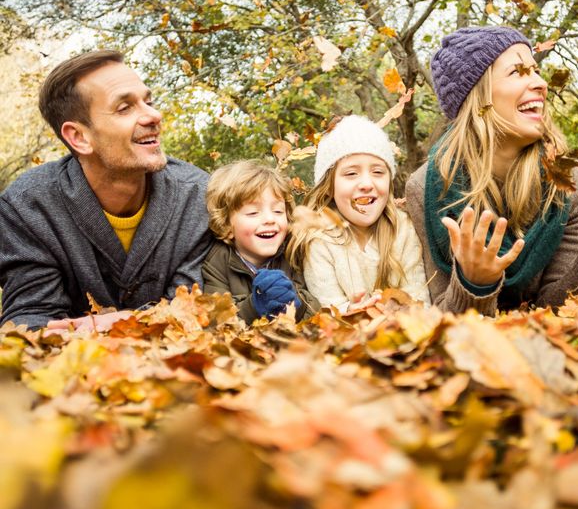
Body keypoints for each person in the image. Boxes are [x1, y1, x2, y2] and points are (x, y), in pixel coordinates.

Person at [405, 26, 578, 315]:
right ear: (476, 98)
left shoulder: (575, 181)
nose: (541, 83)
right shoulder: (427, 189)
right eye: (518, 72)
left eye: (535, 70)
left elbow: (563, 311)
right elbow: (442, 325)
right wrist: (474, 285)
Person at [0, 50, 212, 331]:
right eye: (125, 108)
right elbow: (30, 326)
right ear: (79, 137)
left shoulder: (200, 195)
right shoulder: (26, 207)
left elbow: (193, 314)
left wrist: (102, 325)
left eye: (148, 102)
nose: (154, 115)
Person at [290, 115, 430, 311]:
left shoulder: (404, 230)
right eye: (351, 174)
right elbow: (326, 311)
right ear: (329, 186)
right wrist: (351, 313)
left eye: (378, 172)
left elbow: (420, 303)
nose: (366, 184)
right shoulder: (319, 240)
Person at [201, 160, 319, 323]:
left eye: (278, 211)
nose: (270, 219)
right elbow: (215, 320)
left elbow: (319, 308)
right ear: (227, 225)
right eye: (253, 213)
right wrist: (254, 307)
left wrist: (295, 305)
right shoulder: (217, 262)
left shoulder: (293, 252)